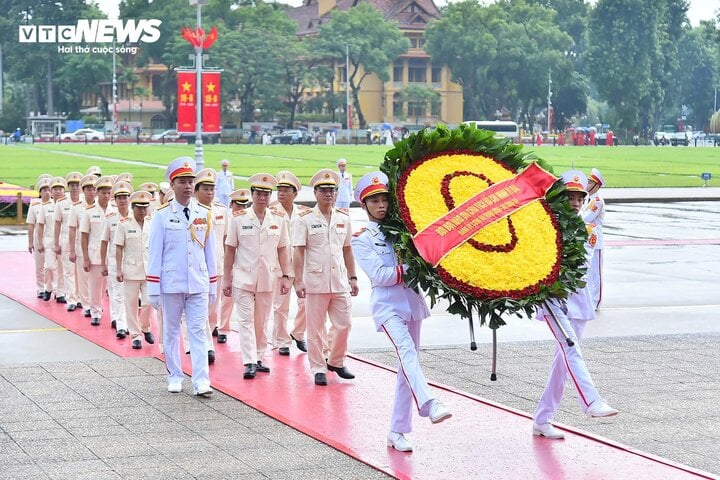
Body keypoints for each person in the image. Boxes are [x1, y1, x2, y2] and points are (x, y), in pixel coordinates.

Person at [351, 172, 452, 453]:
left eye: (384, 200)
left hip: (411, 303)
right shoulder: (361, 238)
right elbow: (381, 275)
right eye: (374, 201)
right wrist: (414, 266)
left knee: (407, 367)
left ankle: (397, 431)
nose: (381, 205)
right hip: (388, 306)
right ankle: (430, 403)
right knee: (407, 354)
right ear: (364, 206)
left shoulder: (403, 230)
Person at [532, 170, 618, 440]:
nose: (576, 202)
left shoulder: (588, 231)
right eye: (570, 197)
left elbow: (579, 268)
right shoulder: (545, 226)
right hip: (553, 298)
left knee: (563, 362)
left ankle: (543, 418)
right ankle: (591, 402)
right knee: (570, 347)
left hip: (577, 299)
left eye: (580, 198)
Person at [147, 156, 217, 396]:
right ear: (172, 184)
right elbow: (155, 253)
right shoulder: (162, 215)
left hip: (197, 282)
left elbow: (210, 251)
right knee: (172, 332)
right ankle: (175, 375)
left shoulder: (204, 213)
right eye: (182, 182)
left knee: (198, 333)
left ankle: (201, 381)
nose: (187, 186)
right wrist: (153, 288)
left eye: (190, 181)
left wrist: (213, 284)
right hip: (171, 283)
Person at [293, 169, 359, 386]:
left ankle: (336, 361)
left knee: (344, 324)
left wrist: (353, 277)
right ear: (315, 193)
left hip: (339, 280)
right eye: (324, 190)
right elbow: (299, 250)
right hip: (315, 281)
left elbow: (347, 249)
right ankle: (318, 367)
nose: (328, 194)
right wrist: (298, 280)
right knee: (315, 328)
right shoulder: (305, 219)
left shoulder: (343, 217)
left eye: (332, 190)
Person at [223, 173, 292, 379]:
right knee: (245, 321)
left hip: (268, 279)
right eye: (259, 193)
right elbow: (230, 250)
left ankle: (260, 356)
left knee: (261, 321)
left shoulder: (278, 220)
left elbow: (283, 250)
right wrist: (227, 278)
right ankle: (249, 361)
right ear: (252, 195)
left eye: (266, 194)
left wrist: (287, 275)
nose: (262, 197)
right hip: (243, 278)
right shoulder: (239, 218)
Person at [270, 171, 312, 355]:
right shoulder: (271, 212)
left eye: (286, 190)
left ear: (295, 194)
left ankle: (298, 333)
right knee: (280, 306)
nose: (281, 193)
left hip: (301, 265)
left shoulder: (304, 213)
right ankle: (282, 341)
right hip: (280, 266)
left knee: (307, 302)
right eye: (279, 189)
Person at [115, 190, 156, 349]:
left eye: (145, 207)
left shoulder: (151, 223)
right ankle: (135, 335)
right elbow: (118, 248)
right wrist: (118, 269)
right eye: (139, 207)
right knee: (131, 304)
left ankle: (145, 327)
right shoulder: (124, 223)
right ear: (133, 208)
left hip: (148, 269)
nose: (143, 211)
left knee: (148, 302)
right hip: (130, 270)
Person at [80, 176, 114, 326]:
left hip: (112, 256)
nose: (106, 196)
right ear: (97, 193)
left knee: (112, 288)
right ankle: (95, 312)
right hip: (95, 255)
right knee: (95, 286)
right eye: (103, 193)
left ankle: (115, 317)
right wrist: (85, 258)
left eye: (108, 193)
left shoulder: (115, 211)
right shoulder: (89, 212)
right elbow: (84, 236)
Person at [100, 181, 132, 338]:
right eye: (119, 197)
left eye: (125, 197)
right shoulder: (110, 218)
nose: (123, 200)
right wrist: (102, 264)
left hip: (133, 262)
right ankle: (121, 324)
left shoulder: (135, 216)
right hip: (114, 261)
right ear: (115, 199)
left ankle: (120, 318)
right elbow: (104, 241)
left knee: (129, 295)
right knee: (118, 293)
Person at [53, 172, 83, 311]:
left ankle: (80, 299)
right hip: (66, 240)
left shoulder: (85, 204)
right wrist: (56, 242)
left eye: (77, 185)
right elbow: (57, 223)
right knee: (68, 271)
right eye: (72, 185)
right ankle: (71, 299)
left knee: (81, 272)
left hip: (82, 241)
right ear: (68, 187)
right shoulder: (61, 203)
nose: (75, 188)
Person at [36, 177, 66, 303]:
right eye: (55, 189)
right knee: (49, 266)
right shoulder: (46, 207)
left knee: (61, 268)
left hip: (63, 241)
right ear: (51, 191)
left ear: (64, 191)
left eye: (60, 189)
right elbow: (40, 225)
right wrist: (39, 241)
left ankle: (60, 293)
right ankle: (48, 287)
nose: (58, 192)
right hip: (49, 241)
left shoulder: (67, 206)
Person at [583, 168, 606, 310]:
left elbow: (585, 218)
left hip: (595, 240)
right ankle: (589, 300)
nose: (587, 184)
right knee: (588, 271)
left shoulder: (597, 201)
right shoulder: (588, 199)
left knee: (595, 274)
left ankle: (596, 301)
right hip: (587, 239)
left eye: (590, 182)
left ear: (596, 186)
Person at [27, 176, 52, 299]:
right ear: (40, 192)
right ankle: (41, 287)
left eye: (49, 190)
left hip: (51, 239)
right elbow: (31, 225)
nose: (47, 192)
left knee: (51, 266)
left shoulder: (55, 204)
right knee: (40, 265)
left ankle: (51, 287)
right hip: (39, 239)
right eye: (44, 190)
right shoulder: (35, 205)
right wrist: (30, 242)